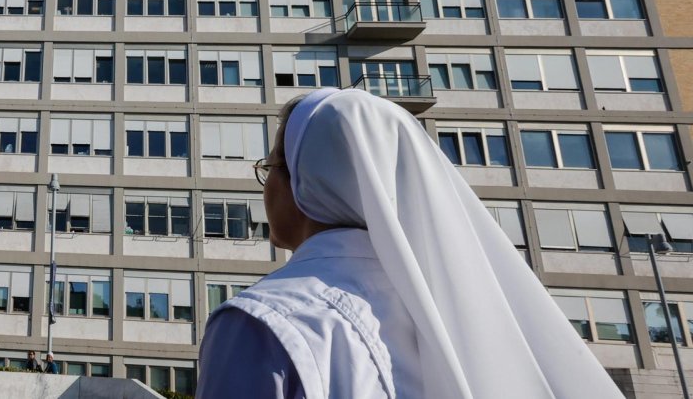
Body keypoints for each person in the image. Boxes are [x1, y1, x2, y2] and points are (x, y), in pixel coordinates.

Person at [197, 88, 623, 398]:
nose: (265, 183)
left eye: (270, 165)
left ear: (308, 184)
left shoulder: (263, 322)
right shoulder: (465, 311)